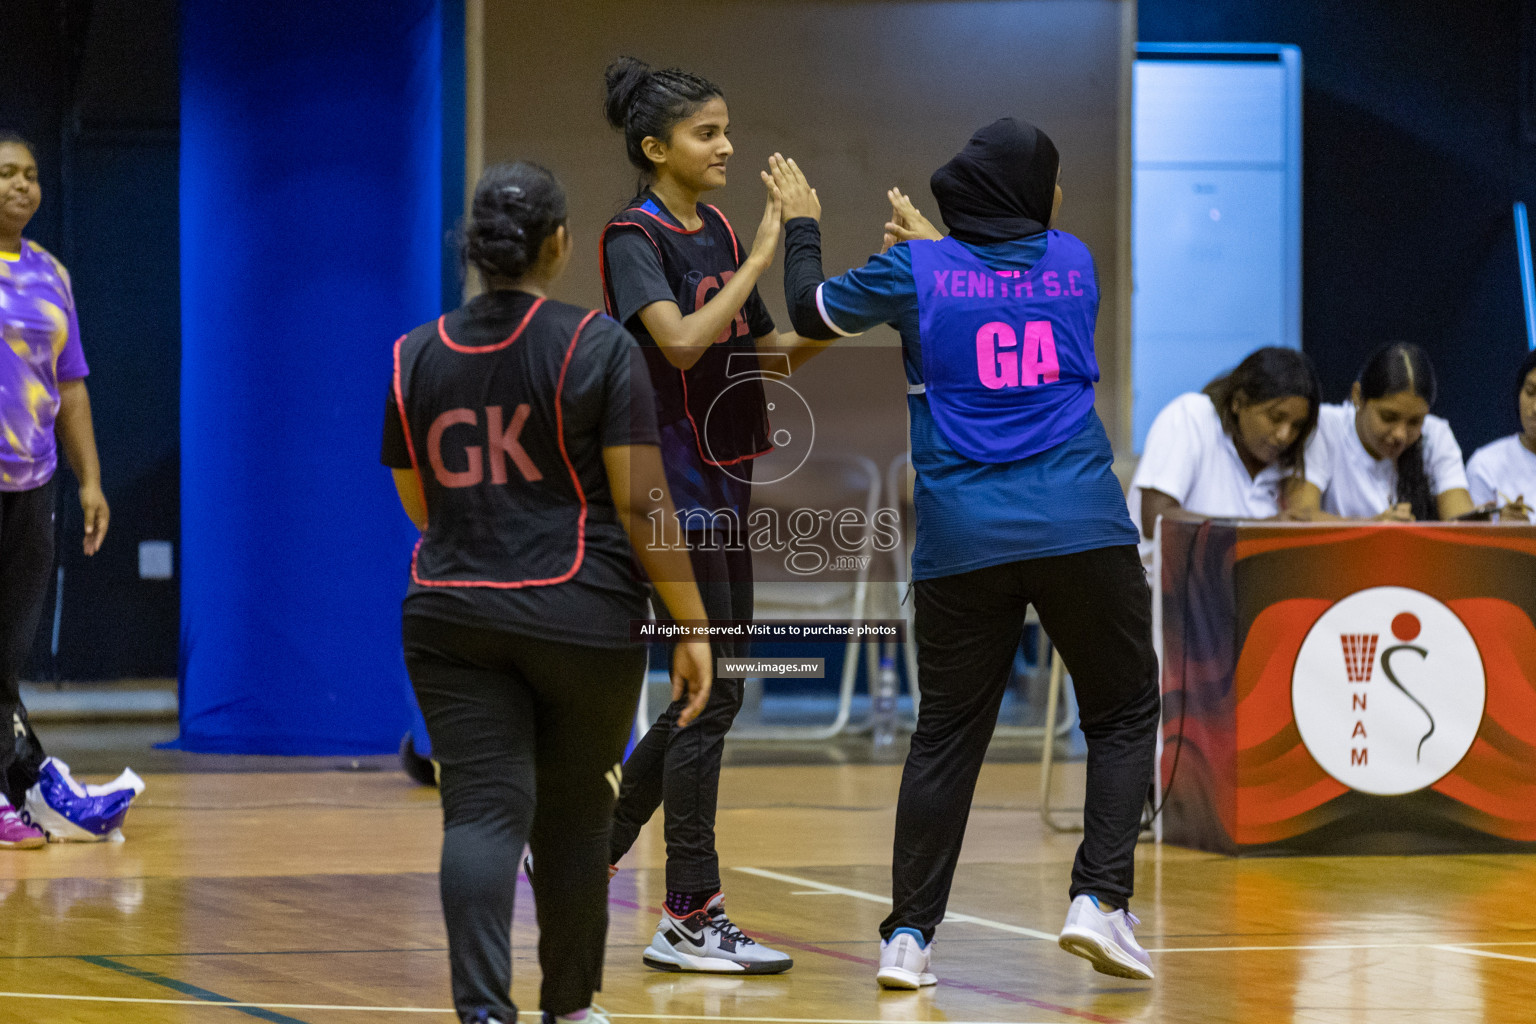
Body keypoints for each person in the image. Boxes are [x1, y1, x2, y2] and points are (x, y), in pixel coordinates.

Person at [771, 118, 1160, 985]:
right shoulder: (1077, 261)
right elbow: (1002, 281)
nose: (1057, 195)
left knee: (946, 737)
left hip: (964, 539)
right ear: (1032, 196)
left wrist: (802, 223)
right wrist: (941, 251)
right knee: (1125, 712)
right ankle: (1099, 900)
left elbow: (810, 311)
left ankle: (908, 938)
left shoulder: (914, 275)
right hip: (1081, 529)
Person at [381, 161, 714, 1024]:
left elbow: (421, 503)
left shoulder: (414, 354)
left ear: (475, 249)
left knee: (482, 814)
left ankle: (483, 1012)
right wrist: (693, 623)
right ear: (560, 243)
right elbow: (644, 502)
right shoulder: (596, 344)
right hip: (581, 612)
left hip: (449, 613)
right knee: (571, 819)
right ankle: (569, 1008)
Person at [597, 56, 818, 975]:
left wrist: (870, 287)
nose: (727, 146)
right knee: (710, 691)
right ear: (656, 149)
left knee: (715, 689)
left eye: (727, 129)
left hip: (729, 484)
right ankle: (688, 911)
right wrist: (764, 254)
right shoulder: (629, 236)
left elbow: (767, 356)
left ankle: (580, 851)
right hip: (669, 495)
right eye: (706, 133)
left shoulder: (723, 226)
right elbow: (684, 344)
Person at [1, 132, 111, 850]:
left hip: (29, 482)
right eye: (6, 174)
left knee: (7, 648)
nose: (22, 186)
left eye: (31, 175)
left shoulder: (51, 273)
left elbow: (70, 385)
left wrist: (91, 479)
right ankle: (26, 783)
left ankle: (25, 783)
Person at [1129, 346, 1322, 560]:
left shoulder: (1285, 462)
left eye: (1297, 426)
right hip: (1157, 586)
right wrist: (1262, 528)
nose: (1285, 435)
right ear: (1238, 402)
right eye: (1275, 417)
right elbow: (1156, 519)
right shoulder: (1191, 416)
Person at [1284, 342, 1473, 522]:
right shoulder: (1324, 426)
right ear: (1357, 396)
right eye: (1388, 417)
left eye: (1415, 422)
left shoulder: (1436, 434)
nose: (1400, 434)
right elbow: (1300, 516)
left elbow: (1461, 521)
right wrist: (1372, 527)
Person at [1465, 348, 1536, 521]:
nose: (1535, 409)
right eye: (1530, 392)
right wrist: (1504, 535)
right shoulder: (1486, 465)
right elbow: (1471, 544)